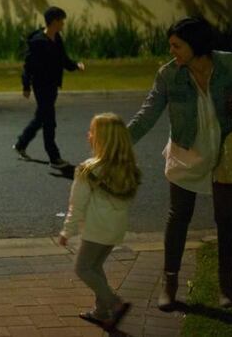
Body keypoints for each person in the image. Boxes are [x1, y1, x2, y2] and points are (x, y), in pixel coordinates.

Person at [127, 16, 232, 310]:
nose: (172, 51)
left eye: (177, 46)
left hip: (225, 150)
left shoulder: (231, 64)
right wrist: (118, 139)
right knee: (179, 216)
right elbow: (148, 113)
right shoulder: (169, 74)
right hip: (186, 151)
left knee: (227, 217)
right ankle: (170, 284)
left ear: (196, 44)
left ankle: (227, 284)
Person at [58, 113, 139, 331]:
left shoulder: (88, 170)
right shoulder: (127, 168)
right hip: (115, 230)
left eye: (92, 132)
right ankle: (101, 311)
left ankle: (114, 303)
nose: (88, 135)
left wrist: (67, 231)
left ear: (101, 139)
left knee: (83, 268)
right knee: (95, 266)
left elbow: (77, 205)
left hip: (96, 230)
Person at [14, 6, 85, 168]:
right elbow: (28, 66)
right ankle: (54, 158)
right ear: (54, 21)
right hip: (41, 86)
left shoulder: (57, 38)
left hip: (53, 85)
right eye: (61, 21)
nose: (63, 24)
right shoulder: (38, 42)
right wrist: (26, 86)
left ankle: (21, 144)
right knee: (49, 121)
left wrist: (76, 66)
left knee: (41, 117)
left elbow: (63, 60)